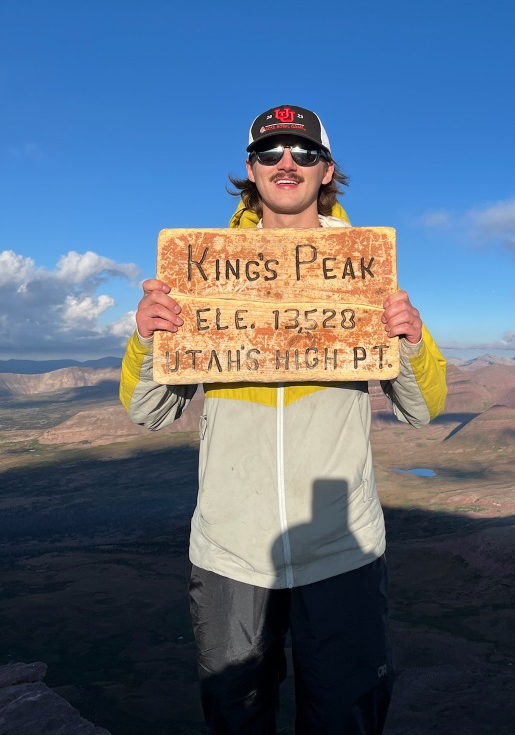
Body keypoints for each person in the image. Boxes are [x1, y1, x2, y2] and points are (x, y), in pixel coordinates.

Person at [119, 103, 448, 735]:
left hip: (341, 553)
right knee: (236, 719)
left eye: (303, 153)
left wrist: (409, 338)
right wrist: (145, 340)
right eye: (270, 153)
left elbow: (424, 406)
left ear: (328, 171)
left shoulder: (363, 272)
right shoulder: (204, 274)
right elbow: (148, 412)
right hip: (230, 553)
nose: (286, 163)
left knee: (345, 720)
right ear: (251, 169)